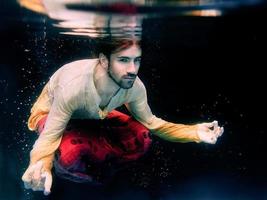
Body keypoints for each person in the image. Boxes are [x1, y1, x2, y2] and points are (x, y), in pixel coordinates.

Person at [22, 38, 223, 195]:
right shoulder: (72, 88)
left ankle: (102, 167)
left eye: (137, 60)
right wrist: (42, 166)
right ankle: (67, 165)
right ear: (103, 60)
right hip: (50, 113)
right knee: (72, 153)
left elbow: (152, 123)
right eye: (123, 60)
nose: (132, 70)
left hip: (93, 115)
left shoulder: (134, 88)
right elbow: (49, 138)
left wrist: (194, 132)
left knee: (141, 136)